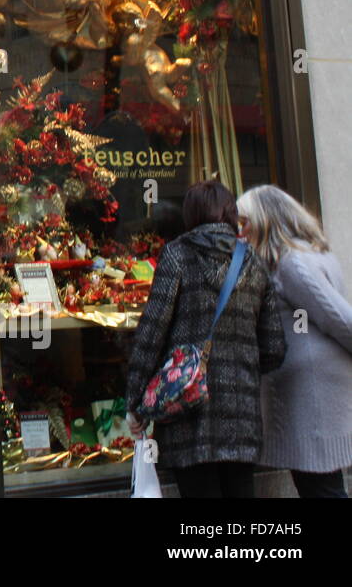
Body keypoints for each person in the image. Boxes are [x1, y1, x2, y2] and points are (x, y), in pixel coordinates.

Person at [125, 180, 287, 497]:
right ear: (230, 213)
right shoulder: (253, 261)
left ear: (191, 214)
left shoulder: (176, 255)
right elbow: (274, 348)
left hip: (187, 415)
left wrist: (135, 405)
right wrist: (242, 369)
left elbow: (150, 335)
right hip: (241, 418)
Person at [238, 185, 352, 497]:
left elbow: (335, 316)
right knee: (322, 483)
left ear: (266, 220)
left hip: (312, 390)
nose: (241, 231)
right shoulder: (312, 253)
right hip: (314, 385)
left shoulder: (293, 263)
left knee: (320, 487)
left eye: (245, 222)